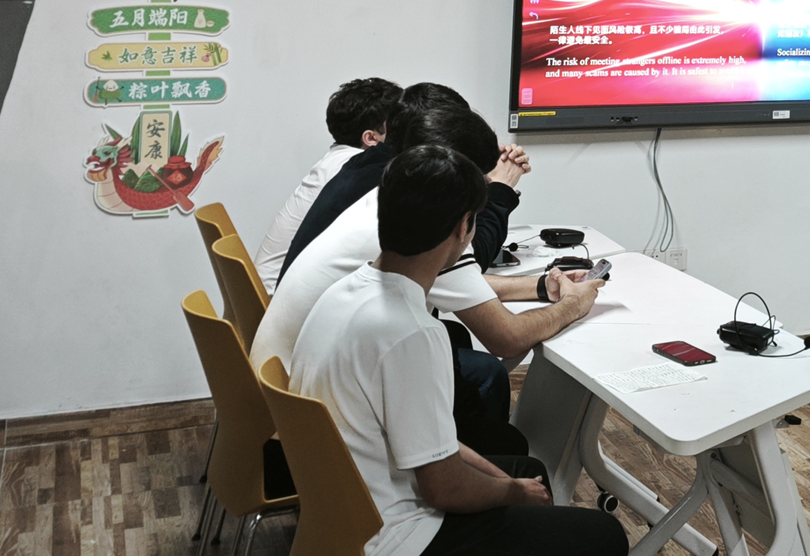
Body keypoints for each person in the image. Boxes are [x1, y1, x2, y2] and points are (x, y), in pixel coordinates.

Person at [289, 145, 644, 556]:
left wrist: (509, 481)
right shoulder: (411, 332)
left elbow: (427, 441)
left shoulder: (346, 292)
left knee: (525, 467)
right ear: (463, 230)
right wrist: (510, 493)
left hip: (337, 531)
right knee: (602, 540)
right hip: (391, 552)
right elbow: (443, 489)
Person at [251, 108, 601, 454]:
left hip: (290, 400)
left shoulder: (389, 198)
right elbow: (507, 339)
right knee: (504, 430)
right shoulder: (432, 236)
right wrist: (574, 305)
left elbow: (453, 280)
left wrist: (539, 286)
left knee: (462, 347)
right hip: (316, 433)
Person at [283, 84, 531, 280]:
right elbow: (468, 264)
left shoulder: (370, 168)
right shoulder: (403, 196)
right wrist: (500, 188)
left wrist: (481, 171)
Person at [255, 77, 401, 288]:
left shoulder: (336, 161)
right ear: (371, 138)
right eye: (399, 126)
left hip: (267, 290)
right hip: (277, 293)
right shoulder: (354, 171)